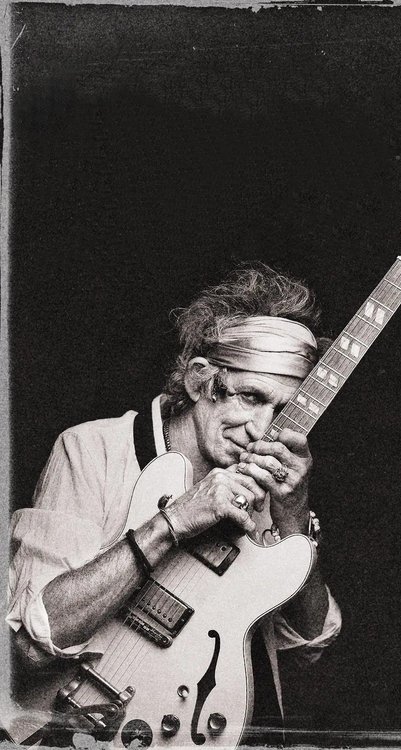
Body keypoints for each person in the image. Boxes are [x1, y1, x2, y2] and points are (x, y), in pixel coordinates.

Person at [7, 264, 342, 746]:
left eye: (283, 410)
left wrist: (293, 515)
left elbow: (308, 644)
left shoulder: (271, 481)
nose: (262, 429)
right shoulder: (92, 450)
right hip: (71, 722)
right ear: (199, 381)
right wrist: (173, 522)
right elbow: (29, 648)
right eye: (250, 397)